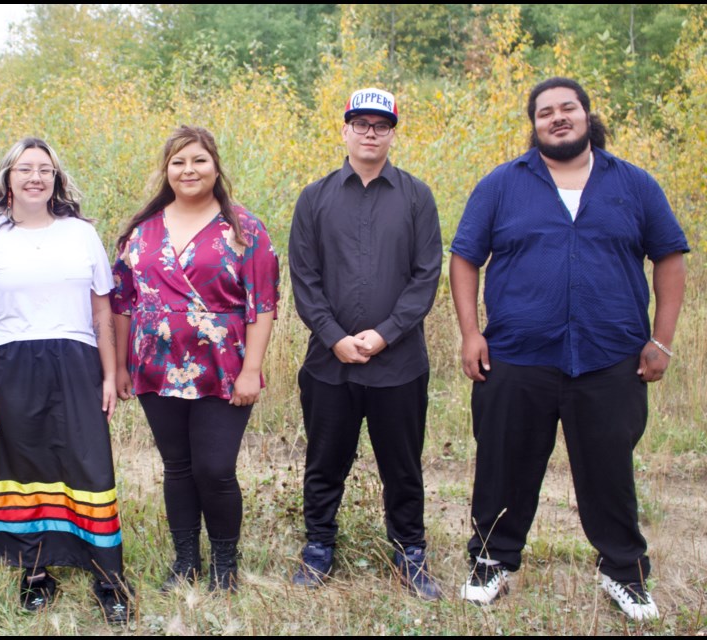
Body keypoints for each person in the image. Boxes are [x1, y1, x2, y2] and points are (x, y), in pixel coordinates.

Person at [450, 77, 688, 621]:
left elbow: (669, 256)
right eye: (545, 113)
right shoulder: (502, 185)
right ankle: (491, 560)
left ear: (587, 115)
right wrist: (470, 333)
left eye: (568, 108)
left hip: (610, 357)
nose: (558, 118)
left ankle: (623, 571)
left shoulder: (634, 184)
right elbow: (464, 258)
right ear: (533, 126)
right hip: (516, 354)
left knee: (608, 470)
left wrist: (661, 340)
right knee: (503, 465)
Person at [0, 137, 132, 622]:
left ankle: (108, 577)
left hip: (76, 359)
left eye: (46, 170)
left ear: (56, 180)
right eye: (26, 169)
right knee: (24, 466)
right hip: (8, 363)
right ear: (8, 177)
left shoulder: (80, 233)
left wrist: (110, 372)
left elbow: (102, 311)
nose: (36, 177)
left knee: (89, 465)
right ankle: (34, 574)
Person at [287, 88, 443, 600]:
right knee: (325, 461)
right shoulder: (315, 197)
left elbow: (426, 276)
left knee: (403, 464)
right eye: (361, 123)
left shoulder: (417, 196)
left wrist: (384, 334)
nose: (370, 132)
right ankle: (318, 549)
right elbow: (304, 278)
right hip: (329, 364)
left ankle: (409, 553)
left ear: (393, 132)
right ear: (345, 130)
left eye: (381, 124)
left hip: (398, 364)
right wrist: (333, 338)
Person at [111, 125, 279, 592]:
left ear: (215, 166)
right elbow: (122, 302)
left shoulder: (246, 229)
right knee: (178, 467)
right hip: (155, 367)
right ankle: (186, 561)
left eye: (199, 160)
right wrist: (123, 365)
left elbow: (262, 305)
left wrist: (251, 370)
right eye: (178, 162)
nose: (189, 170)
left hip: (223, 369)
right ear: (166, 170)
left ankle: (225, 565)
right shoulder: (141, 231)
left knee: (215, 468)